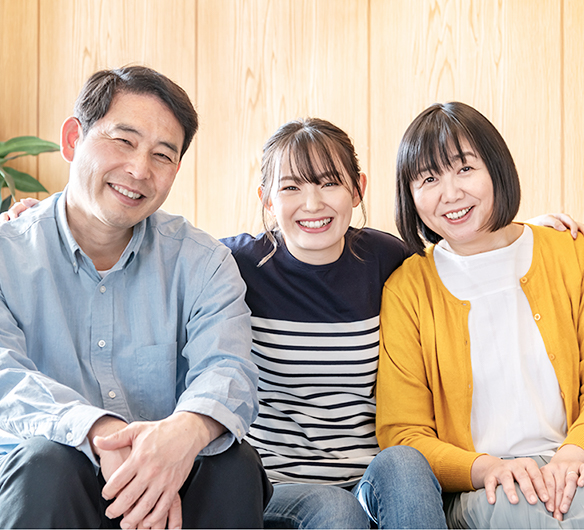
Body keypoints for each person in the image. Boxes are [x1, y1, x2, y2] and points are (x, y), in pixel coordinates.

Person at [5, 117, 579, 529]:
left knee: (405, 463)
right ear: (265, 199)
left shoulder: (389, 262)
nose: (312, 203)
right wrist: (45, 216)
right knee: (333, 510)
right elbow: (155, 248)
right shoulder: (229, 264)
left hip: (368, 474)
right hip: (271, 481)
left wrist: (526, 229)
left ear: (357, 189)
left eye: (329, 182)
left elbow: (464, 252)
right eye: (290, 187)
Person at [0, 66, 271, 529]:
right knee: (48, 462)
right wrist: (98, 431)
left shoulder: (203, 261)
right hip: (48, 483)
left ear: (175, 171)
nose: (140, 170)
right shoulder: (9, 256)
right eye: (124, 141)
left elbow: (229, 369)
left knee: (233, 463)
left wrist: (185, 430)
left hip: (170, 483)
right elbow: (6, 377)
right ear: (73, 139)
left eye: (162, 155)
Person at [376, 101, 584, 528]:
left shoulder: (570, 254)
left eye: (465, 168)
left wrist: (573, 451)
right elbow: (403, 433)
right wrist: (486, 468)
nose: (450, 193)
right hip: (482, 488)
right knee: (525, 511)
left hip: (575, 463)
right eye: (429, 179)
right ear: (409, 195)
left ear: (496, 168)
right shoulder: (407, 289)